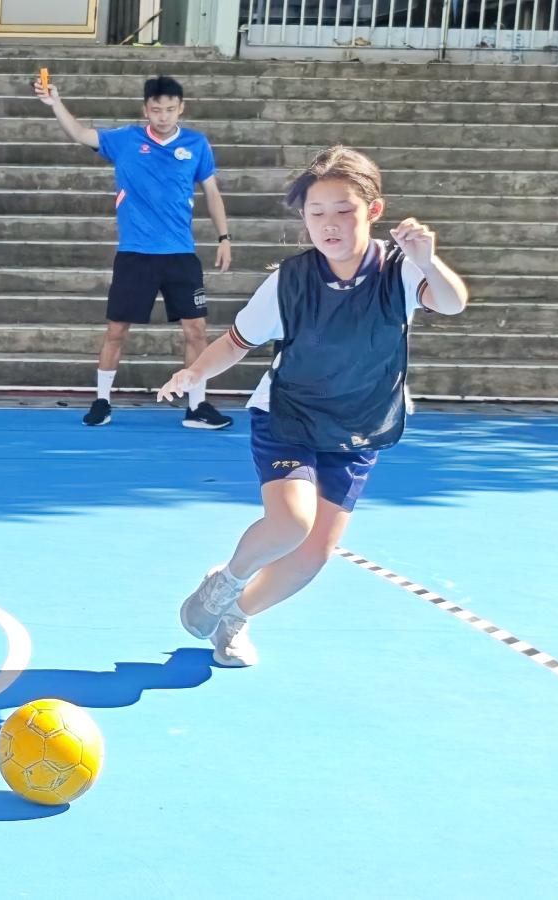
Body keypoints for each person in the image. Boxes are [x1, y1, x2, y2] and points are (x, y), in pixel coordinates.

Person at [162, 146, 468, 668]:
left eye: (344, 210)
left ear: (373, 211)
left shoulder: (399, 271)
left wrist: (427, 261)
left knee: (313, 554)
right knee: (290, 523)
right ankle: (225, 582)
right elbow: (236, 342)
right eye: (316, 212)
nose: (330, 223)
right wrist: (195, 373)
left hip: (360, 424)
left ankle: (236, 615)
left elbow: (452, 301)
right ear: (303, 218)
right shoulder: (289, 280)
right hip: (290, 415)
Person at [36, 72, 235, 429]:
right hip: (135, 253)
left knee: (196, 329)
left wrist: (224, 237)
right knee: (117, 330)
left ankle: (197, 406)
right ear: (146, 109)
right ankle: (102, 401)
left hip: (180, 254)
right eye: (156, 110)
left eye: (170, 110)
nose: (163, 117)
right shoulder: (125, 140)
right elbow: (80, 134)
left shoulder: (197, 144)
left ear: (181, 109)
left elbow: (212, 192)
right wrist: (55, 103)